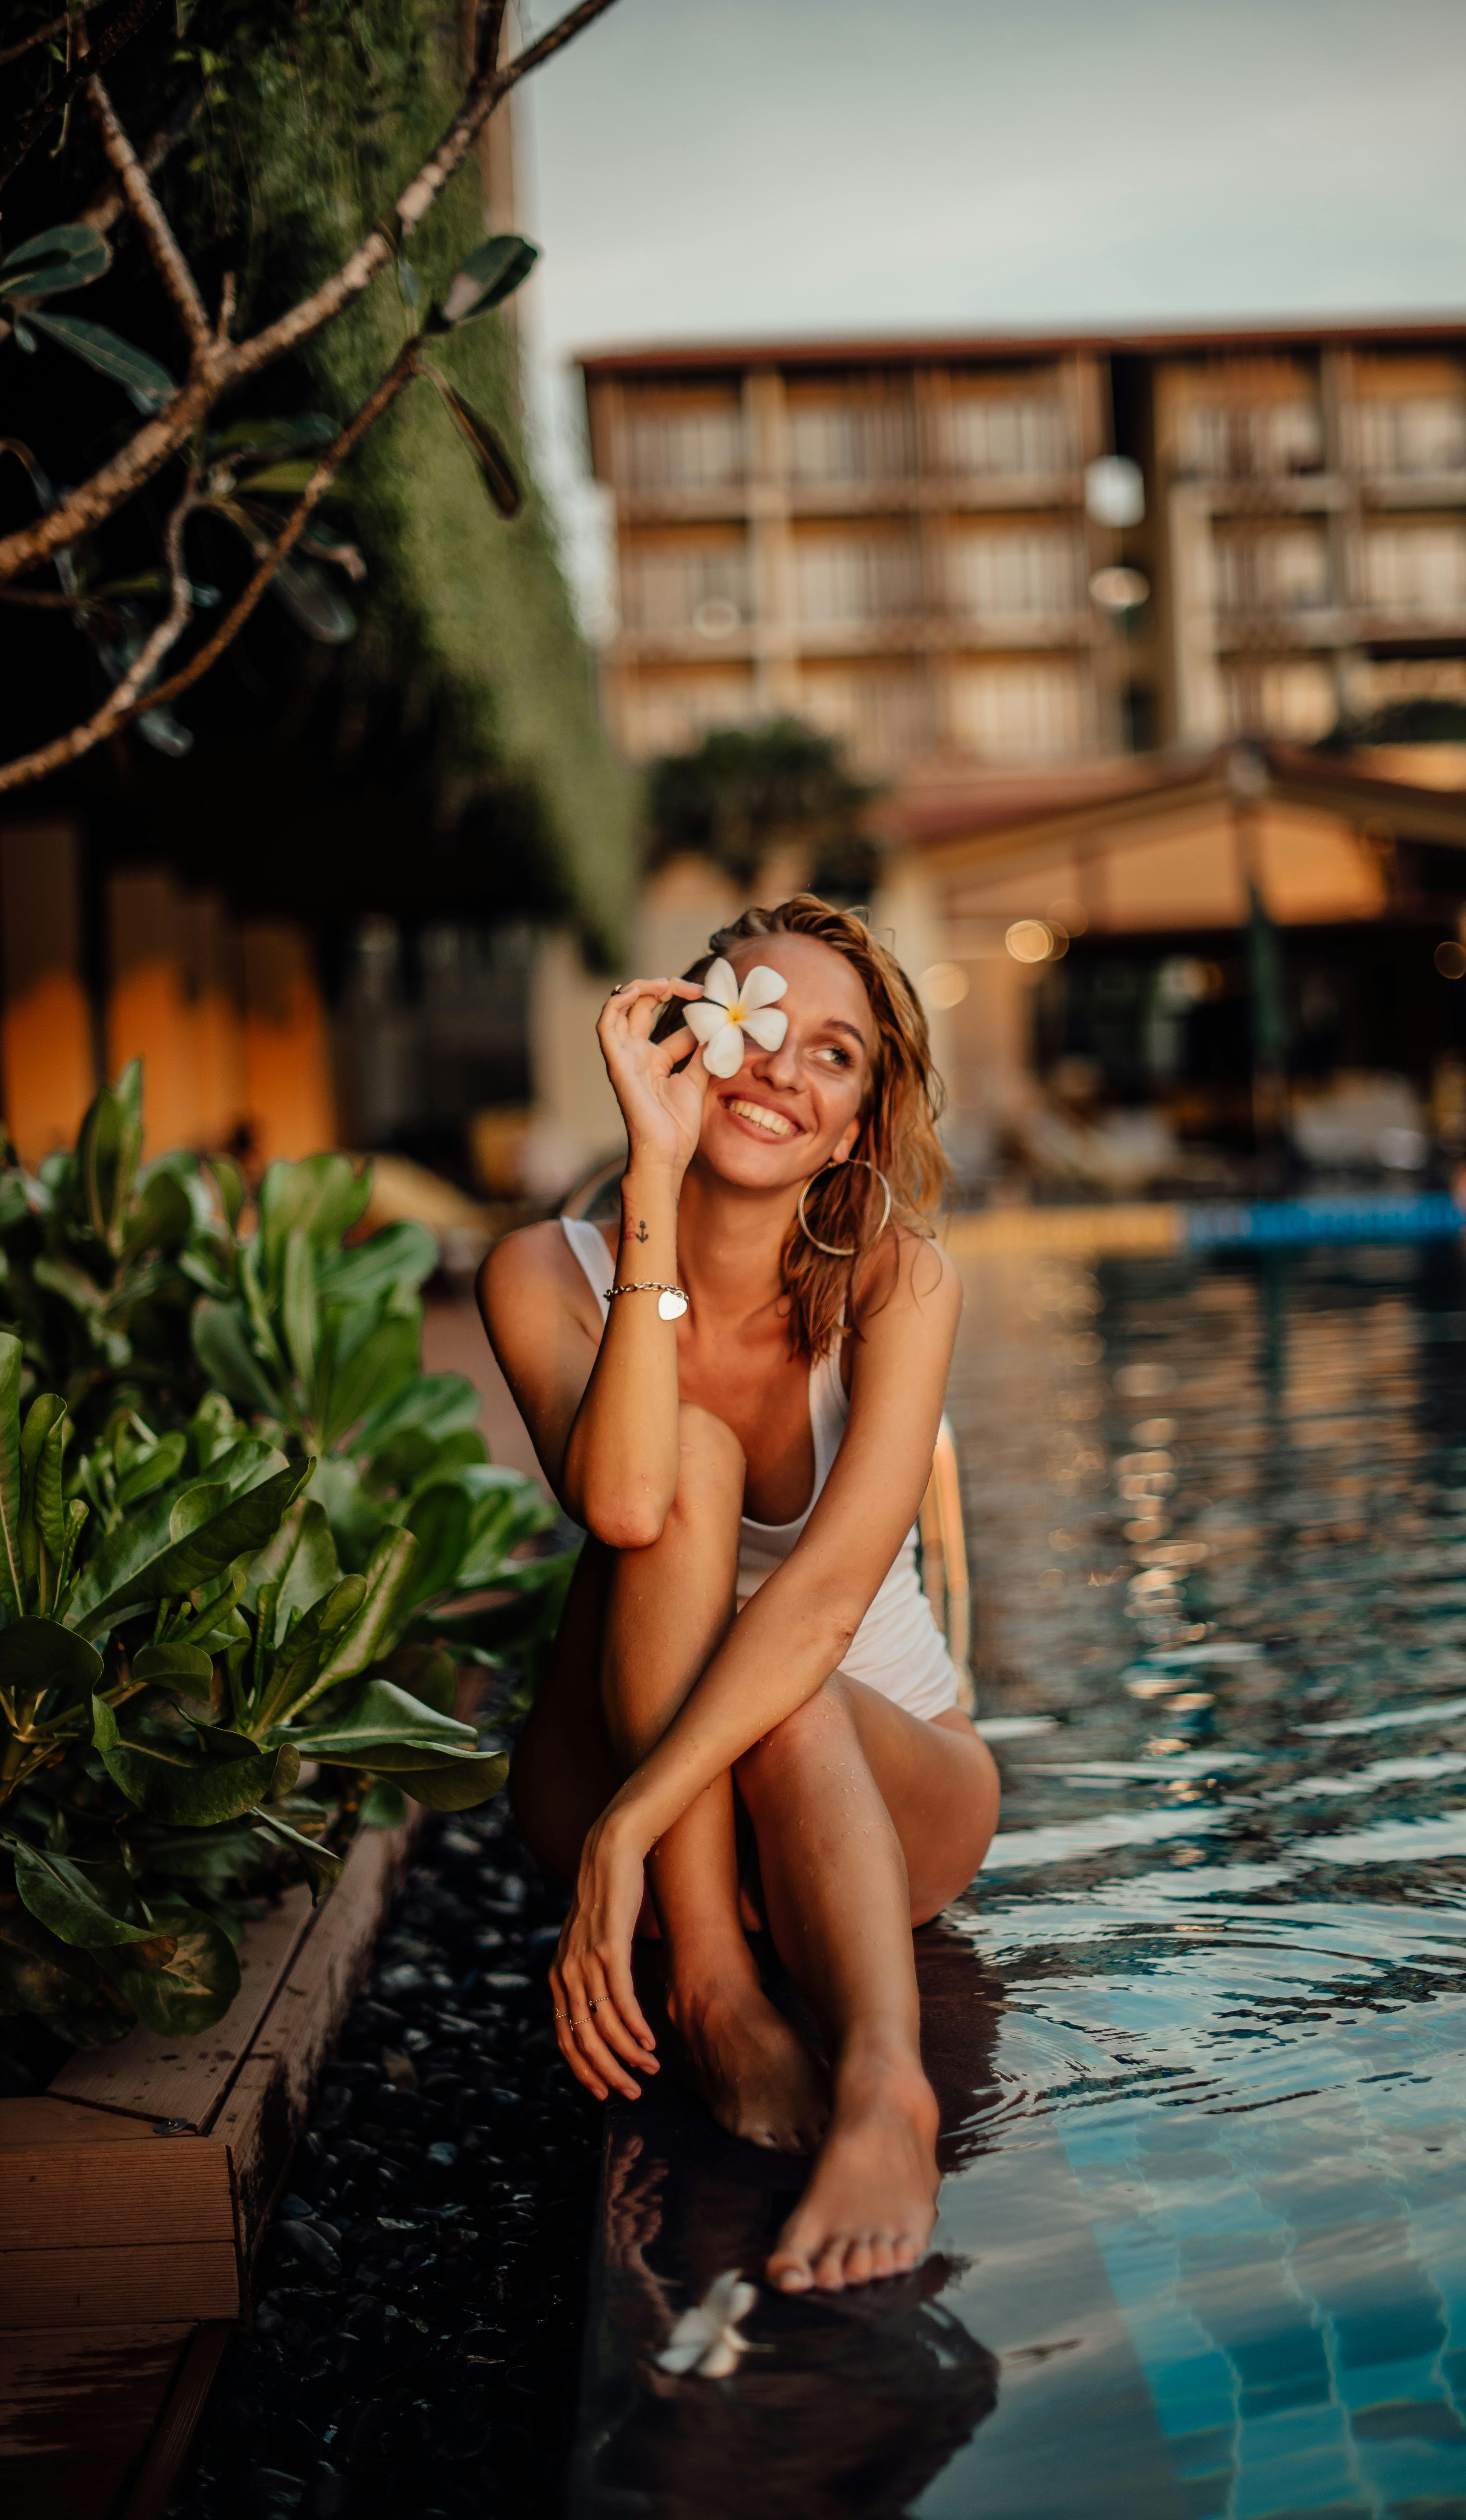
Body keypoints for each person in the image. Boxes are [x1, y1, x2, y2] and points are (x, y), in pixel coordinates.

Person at [477, 897, 999, 2296]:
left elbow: (822, 1607)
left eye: (831, 1056)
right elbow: (630, 1507)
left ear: (853, 1128)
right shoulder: (541, 1271)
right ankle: (708, 1981)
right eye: (753, 1022)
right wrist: (651, 1178)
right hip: (623, 1770)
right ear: (682, 1030)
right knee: (684, 1455)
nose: (779, 1067)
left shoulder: (901, 1281)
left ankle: (888, 2092)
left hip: (879, 1780)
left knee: (795, 1694)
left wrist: (628, 1829)